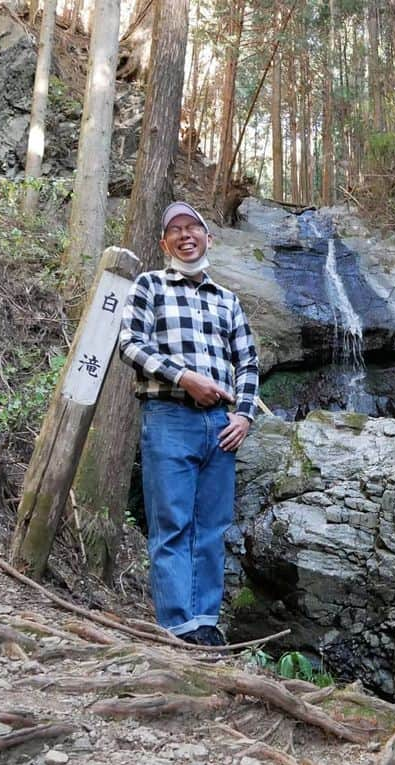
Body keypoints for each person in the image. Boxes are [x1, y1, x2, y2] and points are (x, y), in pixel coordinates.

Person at [118, 201, 259, 647]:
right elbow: (129, 344)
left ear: (207, 238)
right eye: (175, 230)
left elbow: (248, 361)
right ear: (165, 243)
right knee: (173, 522)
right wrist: (185, 377)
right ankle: (179, 627)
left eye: (192, 227)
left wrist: (244, 414)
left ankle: (206, 623)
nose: (185, 235)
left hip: (220, 423)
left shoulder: (228, 300)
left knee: (212, 527)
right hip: (168, 416)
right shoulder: (149, 286)